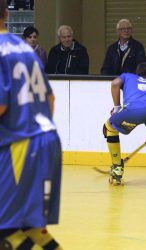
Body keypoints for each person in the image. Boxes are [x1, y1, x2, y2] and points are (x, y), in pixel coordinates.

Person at [0, 0, 63, 249]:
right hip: (46, 138)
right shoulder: (25, 48)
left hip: (20, 145)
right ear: (6, 13)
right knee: (32, 228)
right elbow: (50, 97)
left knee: (6, 232)